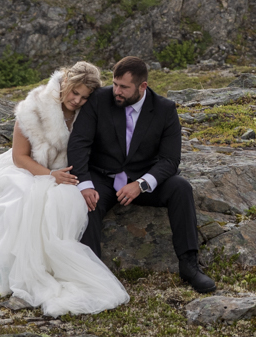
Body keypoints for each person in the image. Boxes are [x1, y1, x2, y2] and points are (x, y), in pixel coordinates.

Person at [0, 61, 130, 316]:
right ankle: (30, 269)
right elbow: (20, 157)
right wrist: (51, 175)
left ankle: (62, 267)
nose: (77, 100)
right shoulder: (34, 108)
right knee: (31, 200)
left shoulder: (89, 112)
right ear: (65, 83)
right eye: (74, 92)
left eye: (84, 97)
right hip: (28, 169)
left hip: (65, 172)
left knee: (66, 201)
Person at [67, 55, 218, 294]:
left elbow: (170, 159)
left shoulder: (165, 109)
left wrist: (141, 184)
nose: (117, 91)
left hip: (141, 179)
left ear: (142, 86)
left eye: (124, 87)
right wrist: (84, 184)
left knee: (181, 188)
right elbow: (78, 144)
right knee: (87, 204)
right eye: (115, 84)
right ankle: (91, 272)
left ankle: (189, 266)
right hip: (102, 177)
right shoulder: (98, 100)